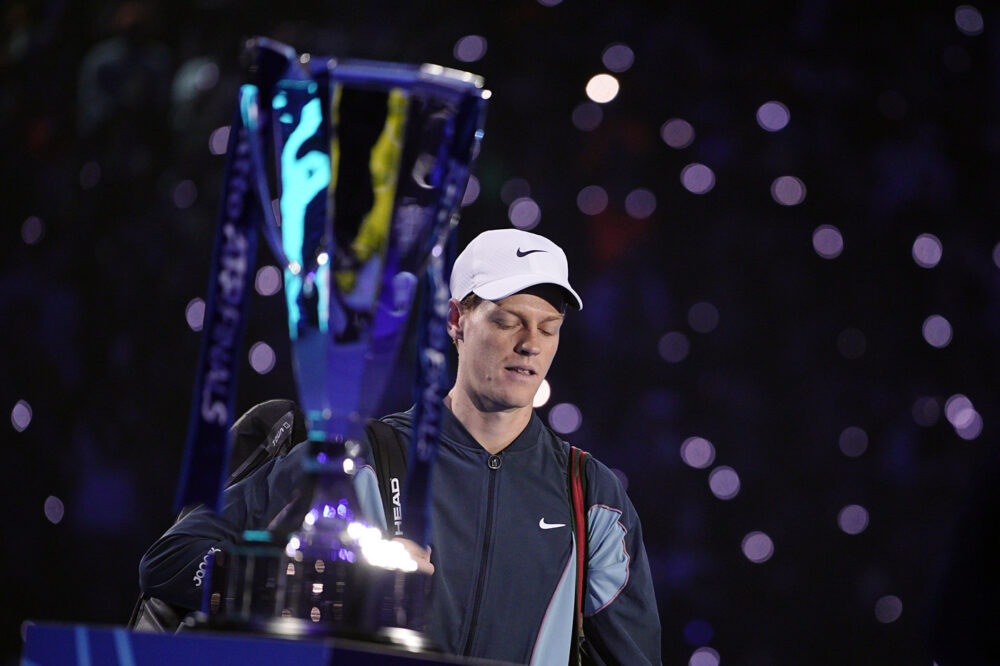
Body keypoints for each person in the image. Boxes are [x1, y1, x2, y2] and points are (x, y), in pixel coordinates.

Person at [139, 228, 662, 664]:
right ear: (456, 321)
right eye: (507, 321)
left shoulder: (591, 498)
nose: (530, 343)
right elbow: (168, 562)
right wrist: (325, 589)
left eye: (548, 328)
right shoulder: (357, 457)